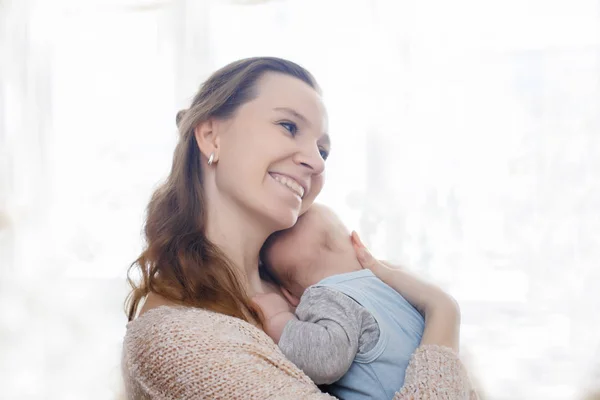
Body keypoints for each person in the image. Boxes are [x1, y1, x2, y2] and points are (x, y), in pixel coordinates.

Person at [122, 57, 477, 399]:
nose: (315, 162)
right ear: (212, 135)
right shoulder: (178, 340)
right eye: (288, 127)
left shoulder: (307, 293)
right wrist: (443, 312)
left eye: (323, 151)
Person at [257, 203, 425, 399]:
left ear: (289, 295)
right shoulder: (389, 286)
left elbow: (327, 360)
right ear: (357, 242)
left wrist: (278, 320)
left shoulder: (326, 295)